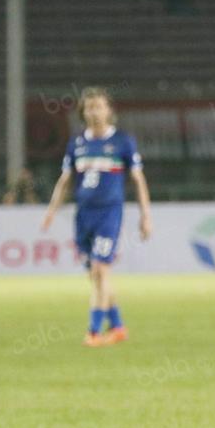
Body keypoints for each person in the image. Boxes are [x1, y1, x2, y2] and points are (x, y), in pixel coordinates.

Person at [41, 87, 153, 347]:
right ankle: (118, 326)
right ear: (83, 112)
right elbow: (65, 180)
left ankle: (93, 332)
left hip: (109, 214)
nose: (94, 112)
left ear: (109, 110)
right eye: (89, 107)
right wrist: (51, 210)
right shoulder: (77, 144)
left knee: (101, 269)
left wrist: (146, 216)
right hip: (84, 215)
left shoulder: (123, 142)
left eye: (99, 106)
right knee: (96, 275)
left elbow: (138, 179)